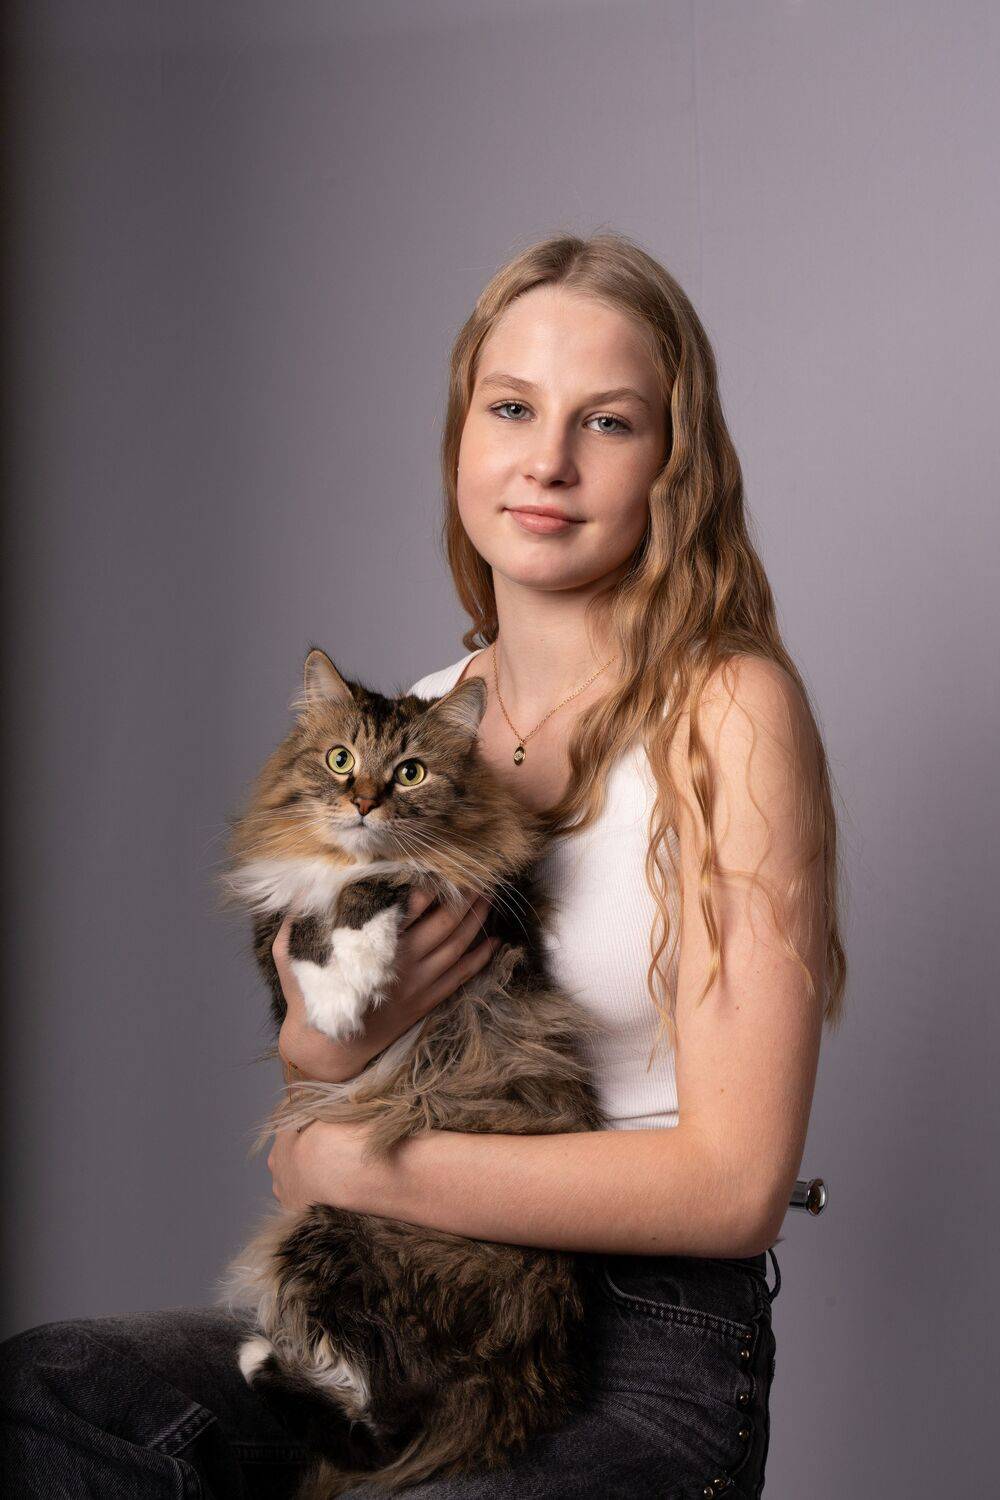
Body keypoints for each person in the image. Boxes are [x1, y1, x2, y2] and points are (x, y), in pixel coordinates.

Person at [0, 231, 845, 1499]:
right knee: (52, 1392)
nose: (547, 461)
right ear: (461, 436)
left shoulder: (727, 708)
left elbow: (735, 1189)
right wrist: (320, 1053)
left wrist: (351, 1163)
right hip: (391, 1302)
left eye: (607, 421)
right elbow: (338, 1060)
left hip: (646, 1345)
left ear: (675, 465)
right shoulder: (421, 721)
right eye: (511, 408)